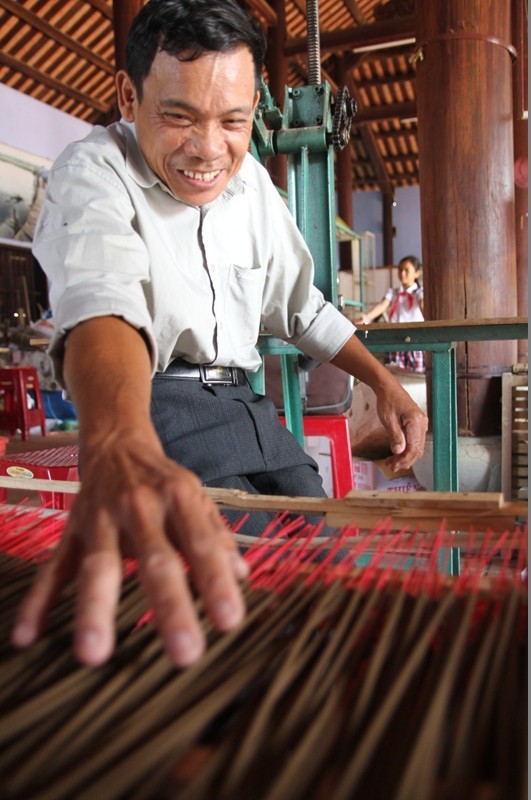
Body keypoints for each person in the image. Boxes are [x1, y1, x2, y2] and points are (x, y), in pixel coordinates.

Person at [11, 0, 428, 670]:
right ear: (129, 94)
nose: (209, 149)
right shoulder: (94, 172)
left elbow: (301, 308)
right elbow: (102, 302)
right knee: (246, 610)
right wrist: (119, 438)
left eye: (232, 121)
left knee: (327, 573)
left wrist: (383, 385)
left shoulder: (253, 189)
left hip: (248, 411)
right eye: (179, 117)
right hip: (153, 411)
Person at [358, 255, 425, 373]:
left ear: (417, 273)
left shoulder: (420, 292)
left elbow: (424, 305)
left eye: (406, 270)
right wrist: (367, 318)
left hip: (414, 342)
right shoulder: (393, 292)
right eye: (400, 270)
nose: (402, 273)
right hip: (395, 341)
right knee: (394, 377)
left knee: (417, 379)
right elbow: (382, 305)